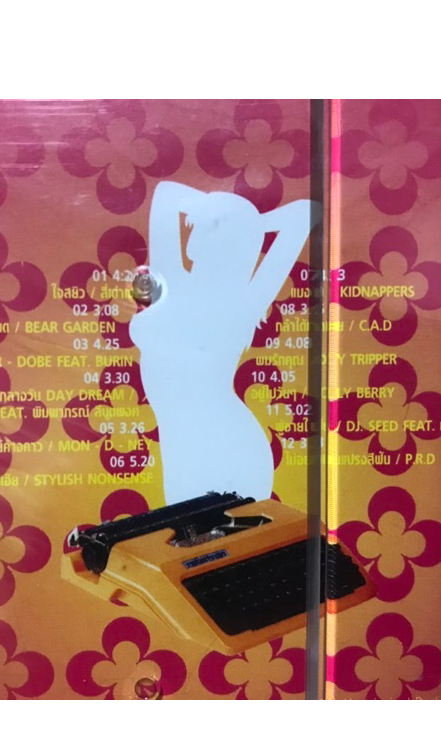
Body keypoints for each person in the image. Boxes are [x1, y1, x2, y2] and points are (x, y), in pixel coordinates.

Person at [130, 181, 319, 504]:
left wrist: (245, 223)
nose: (193, 235)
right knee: (187, 535)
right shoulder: (171, 281)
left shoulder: (245, 300)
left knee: (224, 537)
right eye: (200, 225)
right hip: (183, 448)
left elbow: (306, 213)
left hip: (228, 450)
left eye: (205, 228)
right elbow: (165, 193)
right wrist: (229, 216)